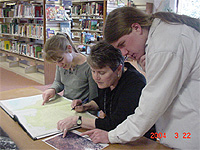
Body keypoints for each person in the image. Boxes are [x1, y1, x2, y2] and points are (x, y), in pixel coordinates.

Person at [81, 6, 200, 150]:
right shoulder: (164, 35)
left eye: (122, 44)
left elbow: (150, 107)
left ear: (136, 27)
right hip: (180, 132)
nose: (124, 53)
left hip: (189, 135)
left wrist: (111, 136)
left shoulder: (164, 46)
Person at [57, 41, 155, 139]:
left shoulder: (134, 83)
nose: (96, 77)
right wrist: (86, 106)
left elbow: (116, 123)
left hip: (143, 137)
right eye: (93, 71)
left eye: (101, 73)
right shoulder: (108, 80)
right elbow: (103, 100)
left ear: (118, 69)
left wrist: (77, 121)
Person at [42, 33, 98, 105]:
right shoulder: (62, 64)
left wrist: (86, 108)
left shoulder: (89, 66)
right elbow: (58, 82)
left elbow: (94, 97)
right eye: (55, 62)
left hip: (83, 108)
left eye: (60, 60)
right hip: (66, 104)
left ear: (69, 49)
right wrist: (52, 89)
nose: (59, 65)